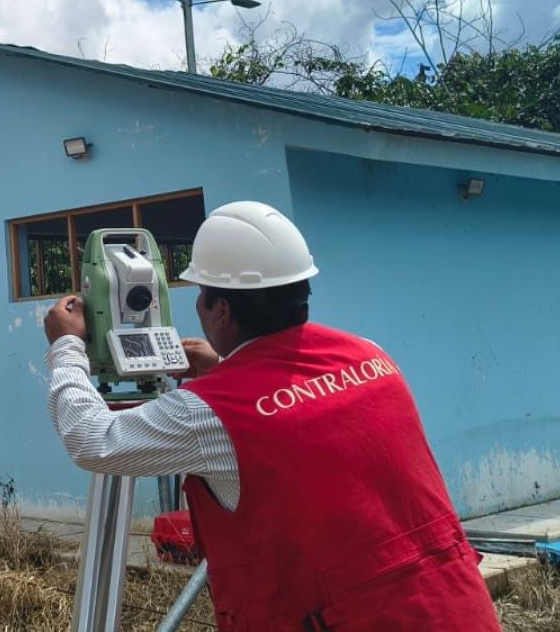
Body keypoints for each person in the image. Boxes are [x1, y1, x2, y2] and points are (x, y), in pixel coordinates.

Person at [43, 200, 501, 631]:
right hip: (456, 607)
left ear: (221, 311)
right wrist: (227, 369)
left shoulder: (209, 412)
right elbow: (303, 411)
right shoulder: (371, 356)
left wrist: (65, 346)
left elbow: (93, 438)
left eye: (202, 295)